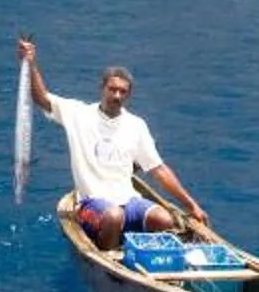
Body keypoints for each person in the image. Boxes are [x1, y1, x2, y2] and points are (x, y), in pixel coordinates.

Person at [18, 36, 209, 251]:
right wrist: (30, 63)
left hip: (129, 202)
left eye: (122, 91)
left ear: (129, 94)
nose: (116, 95)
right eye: (112, 89)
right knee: (113, 216)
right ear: (102, 88)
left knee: (164, 220)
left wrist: (191, 205)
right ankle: (110, 266)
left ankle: (141, 256)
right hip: (91, 205)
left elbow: (158, 169)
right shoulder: (78, 113)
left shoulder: (136, 125)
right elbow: (40, 97)